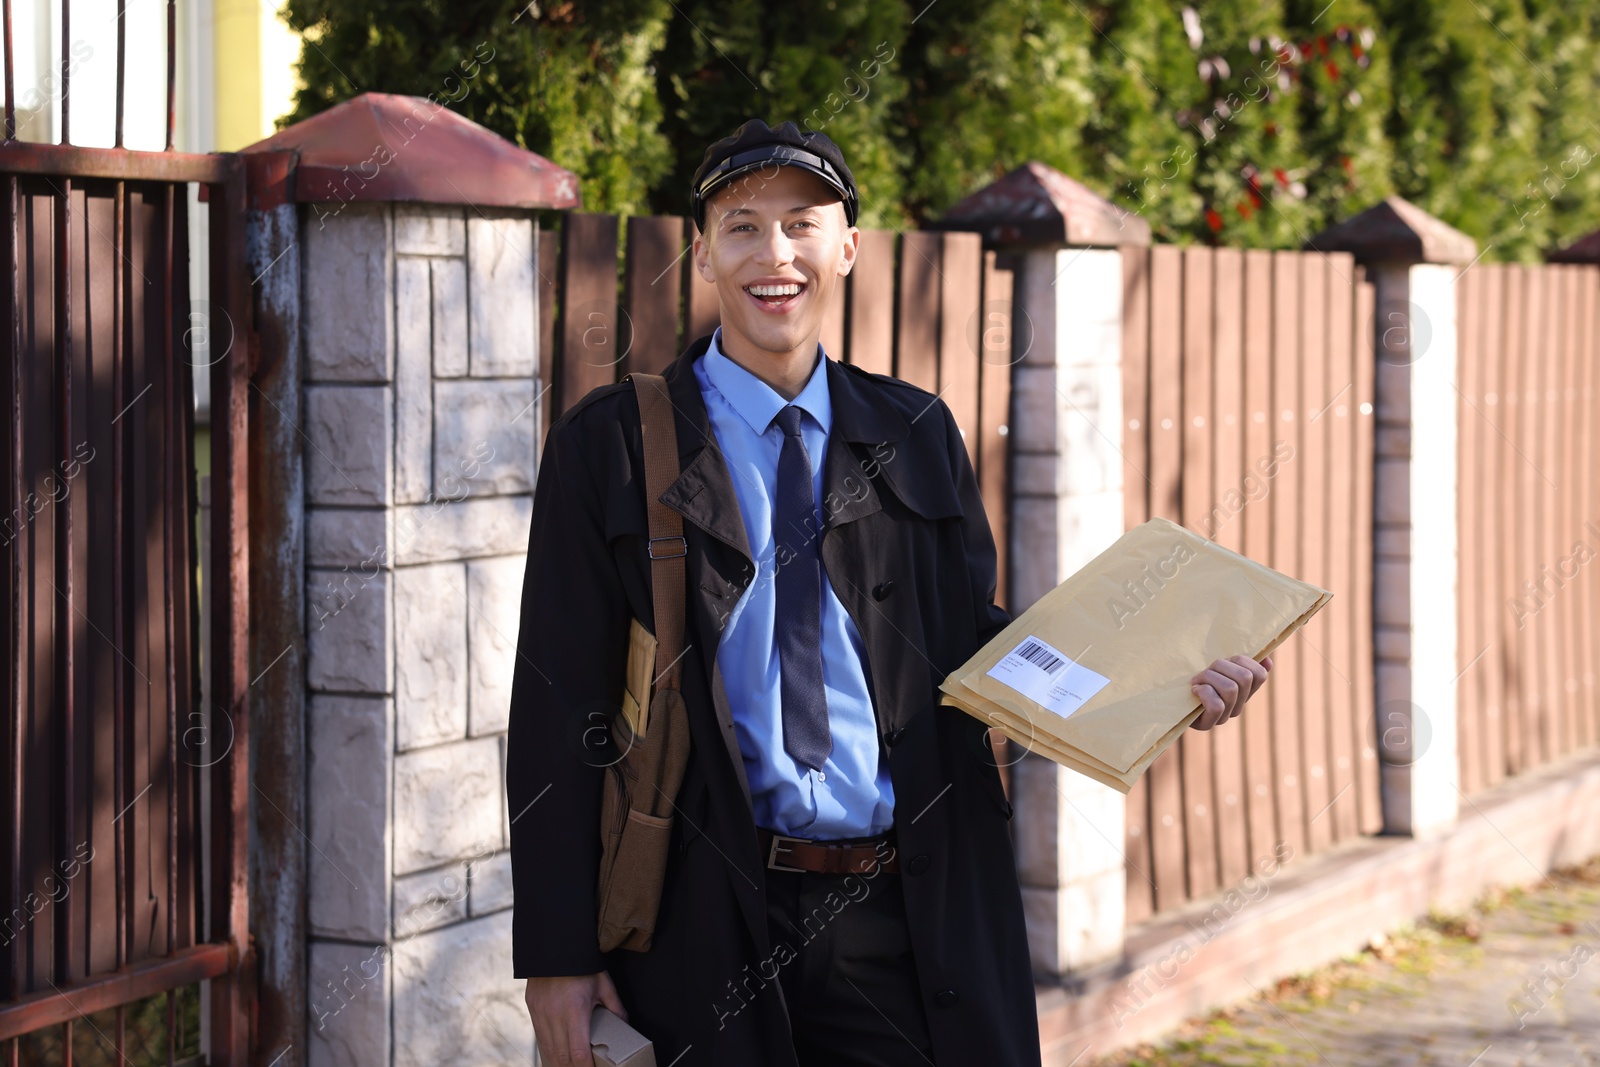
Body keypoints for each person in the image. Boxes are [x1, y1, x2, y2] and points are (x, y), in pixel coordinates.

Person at [507, 118, 1271, 1067]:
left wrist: (1160, 685)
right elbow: (556, 709)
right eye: (741, 227)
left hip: (907, 916)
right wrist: (556, 960)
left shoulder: (914, 429)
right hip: (703, 923)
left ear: (849, 249)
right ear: (701, 254)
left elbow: (979, 652)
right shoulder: (612, 445)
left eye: (803, 224)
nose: (774, 255)